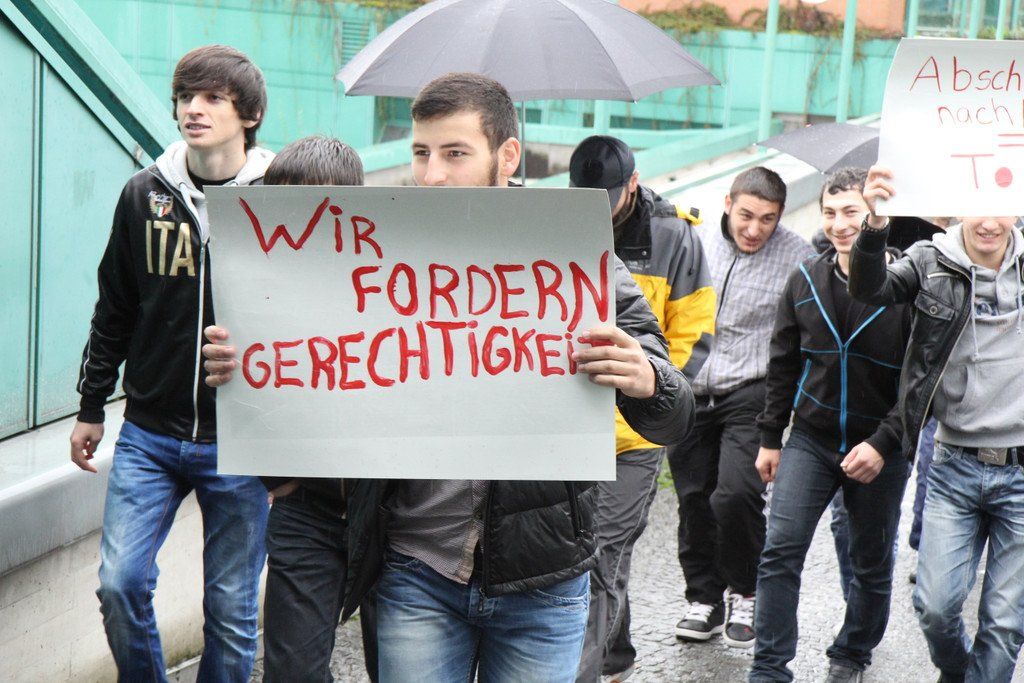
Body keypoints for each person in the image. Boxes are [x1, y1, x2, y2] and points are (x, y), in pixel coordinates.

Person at [202, 72, 695, 683]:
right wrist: (250, 370)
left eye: (455, 153)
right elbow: (320, 363)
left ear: (506, 156)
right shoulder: (379, 246)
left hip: (543, 579)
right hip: (416, 570)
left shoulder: (569, 250)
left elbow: (676, 413)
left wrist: (647, 378)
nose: (431, 174)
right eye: (420, 153)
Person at [70, 45, 273, 681]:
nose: (193, 108)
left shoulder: (280, 197)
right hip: (150, 434)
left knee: (232, 612)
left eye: (212, 97)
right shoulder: (143, 194)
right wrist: (90, 405)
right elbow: (114, 308)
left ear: (250, 115)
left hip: (242, 440)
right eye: (185, 96)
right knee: (120, 584)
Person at [849, 166, 1024, 682]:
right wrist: (875, 224)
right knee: (935, 608)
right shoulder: (931, 259)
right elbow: (870, 288)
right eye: (976, 207)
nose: (988, 222)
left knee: (1005, 623)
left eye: (1001, 208)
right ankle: (960, 672)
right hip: (953, 466)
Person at [749, 167, 911, 683]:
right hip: (812, 440)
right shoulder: (804, 279)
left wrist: (884, 443)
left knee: (870, 560)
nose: (840, 224)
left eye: (851, 212)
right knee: (780, 548)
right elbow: (783, 364)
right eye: (829, 212)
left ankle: (852, 653)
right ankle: (769, 667)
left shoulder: (909, 285)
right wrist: (771, 438)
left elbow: (919, 384)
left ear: (875, 216)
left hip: (880, 446)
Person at [567, 135, 714, 682]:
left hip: (635, 435)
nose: (597, 213)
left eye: (606, 201)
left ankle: (581, 672)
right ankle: (617, 653)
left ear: (631, 184)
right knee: (580, 554)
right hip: (571, 429)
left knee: (601, 556)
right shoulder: (556, 221)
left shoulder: (675, 235)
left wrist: (651, 392)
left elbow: (693, 337)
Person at [668, 166, 814, 648]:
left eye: (768, 219)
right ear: (728, 204)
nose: (754, 229)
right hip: (690, 386)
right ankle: (703, 598)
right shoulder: (694, 241)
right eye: (746, 215)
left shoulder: (798, 257)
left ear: (781, 216)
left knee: (735, 494)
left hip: (751, 388)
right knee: (693, 497)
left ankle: (747, 591)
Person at [252, 136, 378, 683]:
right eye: (286, 208)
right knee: (292, 672)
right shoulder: (256, 286)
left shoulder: (395, 281)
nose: (300, 225)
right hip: (307, 506)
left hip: (393, 512)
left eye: (316, 209)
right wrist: (274, 473)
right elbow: (243, 389)